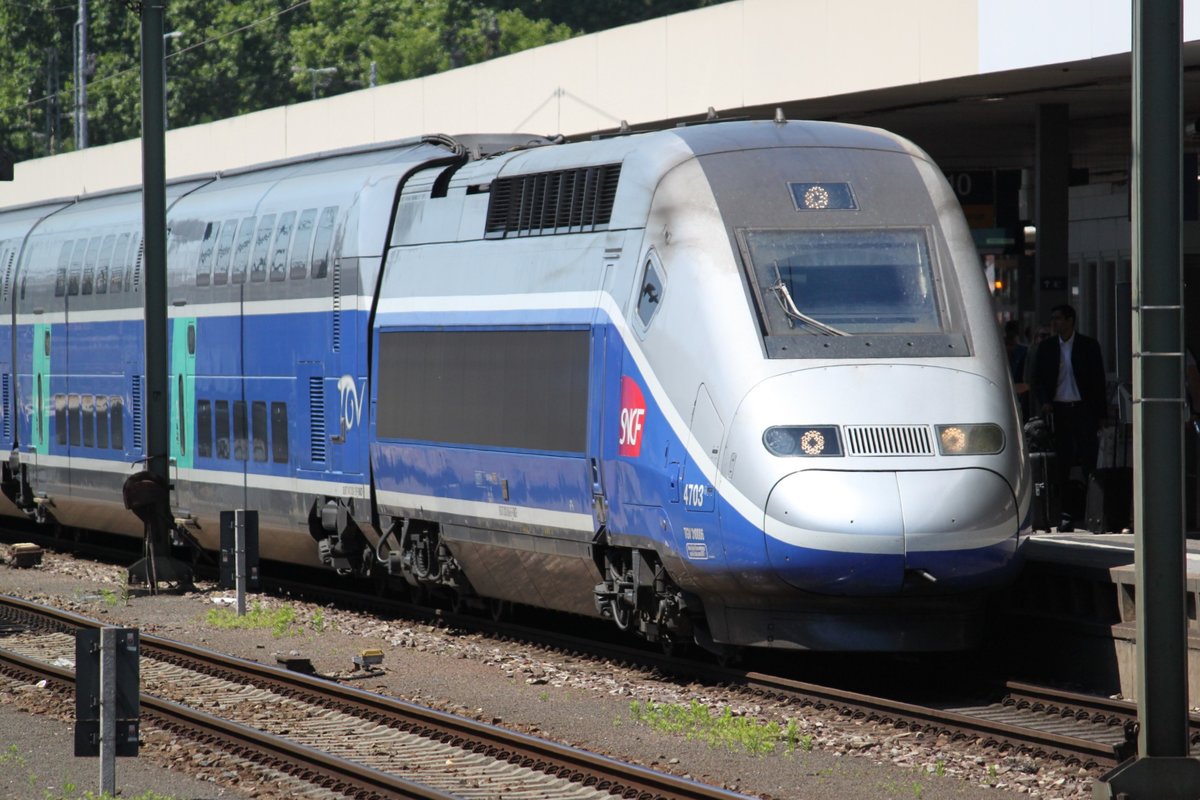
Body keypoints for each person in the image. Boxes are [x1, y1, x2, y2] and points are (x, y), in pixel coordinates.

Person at [1032, 304, 1107, 532]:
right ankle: (1063, 514)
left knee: (1088, 460)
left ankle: (1093, 512)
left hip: (1083, 409)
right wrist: (1045, 402)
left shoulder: (1088, 346)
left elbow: (1098, 381)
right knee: (1061, 463)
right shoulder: (1046, 348)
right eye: (1053, 318)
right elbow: (1037, 378)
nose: (1054, 323)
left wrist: (1100, 414)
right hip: (1059, 410)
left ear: (1070, 320)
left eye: (1058, 319)